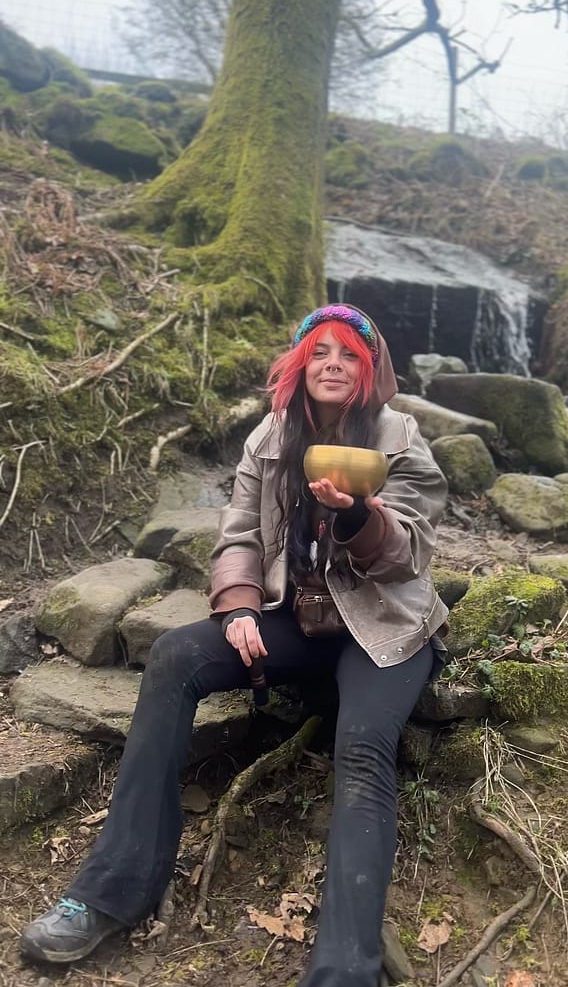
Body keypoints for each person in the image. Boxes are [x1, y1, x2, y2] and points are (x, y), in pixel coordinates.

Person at [20, 304, 449, 987]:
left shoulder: (400, 437)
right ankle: (107, 894)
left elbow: (412, 553)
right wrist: (239, 607)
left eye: (348, 355)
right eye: (319, 353)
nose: (332, 364)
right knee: (173, 657)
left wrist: (357, 515)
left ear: (368, 371)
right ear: (300, 365)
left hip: (381, 628)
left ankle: (344, 968)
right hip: (296, 620)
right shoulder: (269, 437)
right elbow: (239, 536)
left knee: (362, 746)